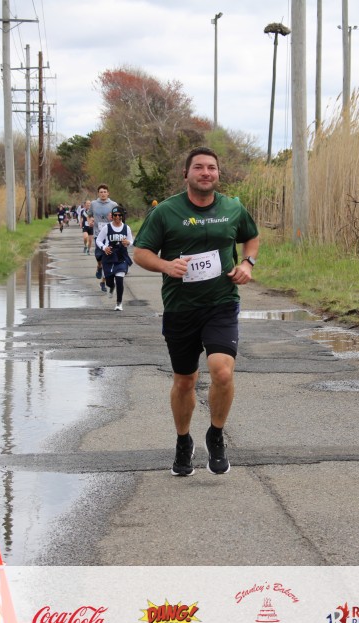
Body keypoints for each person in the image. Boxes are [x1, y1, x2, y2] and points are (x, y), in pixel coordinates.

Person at [133, 147, 260, 476]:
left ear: (218, 174)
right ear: (186, 174)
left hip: (221, 303)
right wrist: (166, 265)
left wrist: (248, 263)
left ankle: (216, 435)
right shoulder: (166, 212)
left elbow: (252, 238)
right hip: (181, 308)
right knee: (185, 381)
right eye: (199, 168)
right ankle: (183, 440)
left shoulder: (232, 208)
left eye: (212, 168)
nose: (206, 173)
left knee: (222, 372)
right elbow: (140, 252)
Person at [96, 205, 133, 311]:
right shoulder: (107, 227)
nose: (117, 217)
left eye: (119, 215)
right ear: (112, 216)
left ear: (122, 216)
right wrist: (104, 248)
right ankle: (111, 286)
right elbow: (98, 240)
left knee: (119, 278)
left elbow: (131, 241)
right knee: (109, 281)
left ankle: (119, 303)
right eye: (115, 215)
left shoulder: (126, 228)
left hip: (121, 256)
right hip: (109, 256)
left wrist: (128, 242)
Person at [90, 185, 119, 292]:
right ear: (98, 193)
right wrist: (90, 221)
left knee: (107, 260)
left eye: (105, 192)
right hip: (98, 234)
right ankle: (99, 266)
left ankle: (103, 282)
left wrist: (114, 219)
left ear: (108, 193)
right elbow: (89, 215)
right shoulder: (93, 204)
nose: (103, 194)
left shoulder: (113, 204)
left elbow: (119, 218)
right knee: (99, 257)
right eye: (101, 192)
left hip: (109, 235)